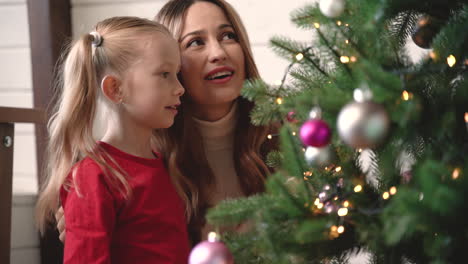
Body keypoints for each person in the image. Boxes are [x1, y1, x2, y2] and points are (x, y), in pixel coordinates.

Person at [56, 0, 279, 246]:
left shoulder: (290, 137)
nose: (218, 53)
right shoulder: (140, 163)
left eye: (228, 36)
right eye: (196, 42)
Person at [36, 16, 189, 264]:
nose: (180, 87)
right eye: (164, 74)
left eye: (177, 74)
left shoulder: (166, 165)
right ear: (116, 89)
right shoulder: (93, 177)